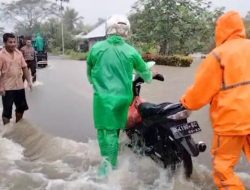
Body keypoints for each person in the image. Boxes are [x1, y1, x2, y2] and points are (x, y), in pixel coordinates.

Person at [181, 11, 250, 190]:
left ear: (221, 31)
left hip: (231, 122)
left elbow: (200, 92)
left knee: (223, 169)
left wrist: (185, 103)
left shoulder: (218, 55)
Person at [87, 15, 153, 176]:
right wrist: (150, 76)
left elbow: (89, 73)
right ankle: (114, 161)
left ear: (108, 29)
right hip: (124, 99)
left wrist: (97, 82)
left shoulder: (96, 48)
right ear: (126, 31)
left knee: (106, 133)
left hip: (104, 99)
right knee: (116, 129)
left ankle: (108, 170)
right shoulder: (131, 50)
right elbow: (145, 71)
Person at [0, 33, 32, 125]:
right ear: (5, 43)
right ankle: (6, 132)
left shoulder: (19, 53)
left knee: (21, 108)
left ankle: (17, 127)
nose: (13, 44)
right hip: (7, 87)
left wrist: (29, 81)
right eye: (10, 42)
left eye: (14, 42)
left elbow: (24, 67)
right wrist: (1, 87)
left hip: (19, 86)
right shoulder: (1, 55)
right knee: (7, 111)